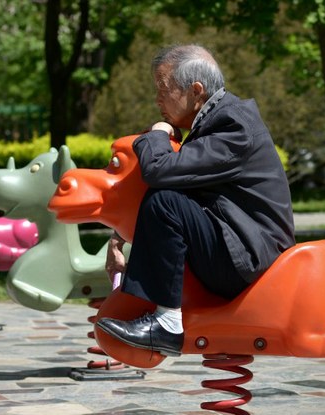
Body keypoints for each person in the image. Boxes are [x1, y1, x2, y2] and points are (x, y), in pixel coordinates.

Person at [97, 44, 296, 357]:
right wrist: (118, 239)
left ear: (196, 90)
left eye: (163, 90)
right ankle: (158, 316)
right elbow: (182, 181)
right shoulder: (215, 121)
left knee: (166, 200)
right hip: (234, 246)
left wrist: (157, 133)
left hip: (249, 259)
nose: (157, 100)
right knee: (168, 198)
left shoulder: (233, 125)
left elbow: (159, 172)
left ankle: (166, 324)